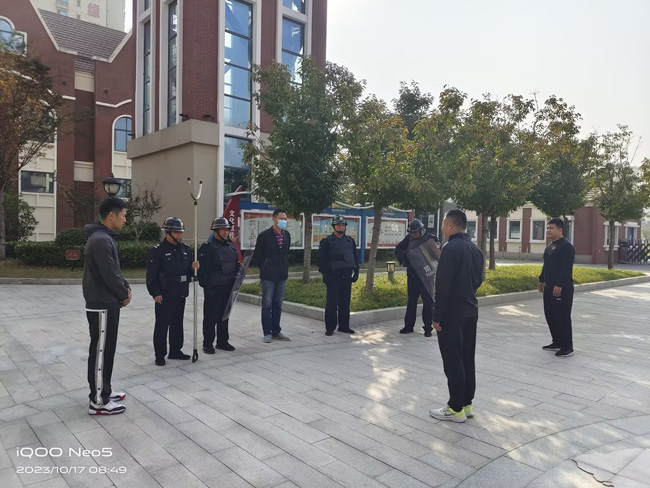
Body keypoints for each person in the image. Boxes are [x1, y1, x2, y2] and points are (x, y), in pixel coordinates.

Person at [429, 210, 484, 423]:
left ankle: (455, 408)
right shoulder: (475, 249)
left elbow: (443, 286)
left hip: (452, 313)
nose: (442, 228)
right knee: (467, 358)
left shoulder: (450, 248)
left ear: (451, 225)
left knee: (453, 360)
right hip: (471, 310)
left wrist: (437, 315)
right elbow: (479, 280)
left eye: (444, 224)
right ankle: (466, 403)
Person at [83, 197, 131, 415]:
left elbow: (115, 270)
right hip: (101, 303)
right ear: (112, 215)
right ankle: (98, 402)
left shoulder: (105, 238)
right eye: (123, 215)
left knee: (107, 349)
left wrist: (125, 288)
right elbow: (109, 274)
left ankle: (105, 391)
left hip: (109, 302)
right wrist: (123, 293)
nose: (125, 219)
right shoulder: (100, 240)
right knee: (101, 352)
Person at [146, 217, 199, 366]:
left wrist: (193, 268)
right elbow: (152, 275)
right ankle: (160, 354)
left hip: (180, 292)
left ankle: (175, 350)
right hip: (165, 293)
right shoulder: (157, 251)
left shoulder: (185, 250)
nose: (180, 235)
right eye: (176, 232)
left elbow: (188, 272)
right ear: (168, 233)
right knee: (162, 325)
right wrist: (155, 293)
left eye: (181, 232)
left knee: (177, 323)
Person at [198, 217, 239, 353]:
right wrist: (207, 287)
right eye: (223, 229)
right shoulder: (208, 247)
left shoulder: (231, 246)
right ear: (215, 231)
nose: (226, 232)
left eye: (227, 229)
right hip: (214, 288)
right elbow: (203, 271)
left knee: (224, 316)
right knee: (211, 317)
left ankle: (222, 341)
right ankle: (207, 343)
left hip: (228, 287)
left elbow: (235, 266)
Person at [395, 219, 440, 337]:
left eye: (415, 232)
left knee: (428, 303)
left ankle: (428, 328)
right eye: (412, 233)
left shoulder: (431, 238)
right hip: (413, 275)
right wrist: (403, 258)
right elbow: (398, 248)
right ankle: (408, 326)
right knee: (412, 302)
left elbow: (437, 254)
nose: (414, 234)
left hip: (426, 276)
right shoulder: (409, 239)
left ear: (421, 230)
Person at [538, 218, 575, 358]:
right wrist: (541, 280)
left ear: (560, 230)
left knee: (562, 317)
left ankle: (567, 347)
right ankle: (557, 341)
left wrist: (559, 284)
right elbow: (546, 265)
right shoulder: (550, 247)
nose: (548, 230)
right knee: (551, 316)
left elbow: (566, 268)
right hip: (548, 288)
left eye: (551, 228)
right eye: (547, 228)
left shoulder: (566, 247)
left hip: (562, 289)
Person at [253, 209, 291, 343]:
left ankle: (276, 330)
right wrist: (265, 267)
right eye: (281, 218)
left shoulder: (286, 235)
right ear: (274, 219)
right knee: (267, 304)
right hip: (268, 274)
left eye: (285, 219)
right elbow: (258, 255)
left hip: (282, 274)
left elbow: (286, 253)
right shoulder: (265, 236)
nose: (284, 221)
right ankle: (267, 332)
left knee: (278, 303)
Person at [318, 215, 359, 336]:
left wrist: (356, 271)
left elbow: (354, 257)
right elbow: (321, 259)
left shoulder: (350, 241)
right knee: (332, 303)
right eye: (338, 225)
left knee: (345, 302)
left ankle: (344, 326)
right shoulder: (326, 241)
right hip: (333, 276)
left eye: (343, 225)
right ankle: (330, 327)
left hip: (346, 275)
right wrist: (325, 273)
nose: (341, 227)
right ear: (334, 226)